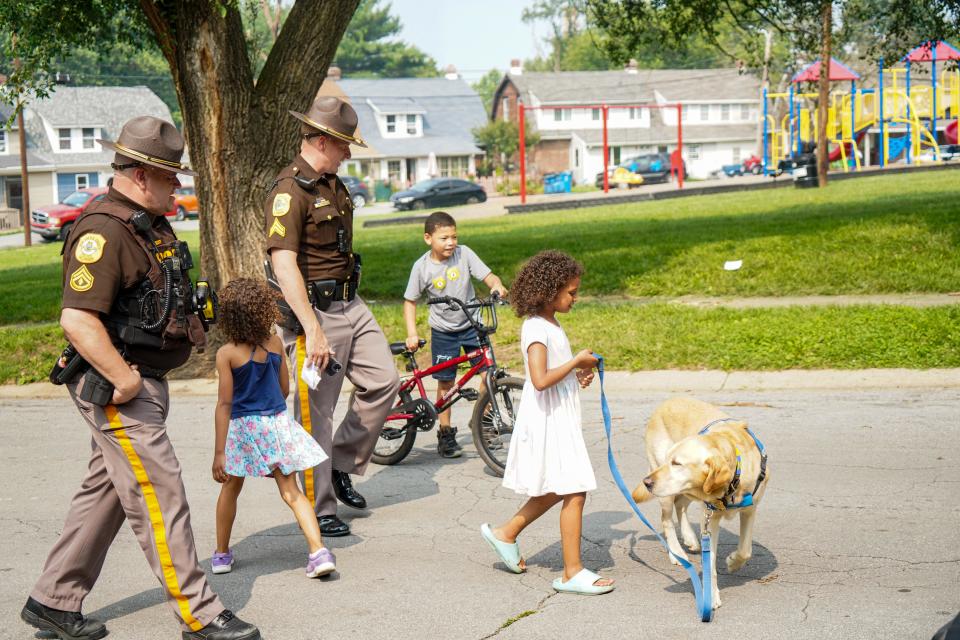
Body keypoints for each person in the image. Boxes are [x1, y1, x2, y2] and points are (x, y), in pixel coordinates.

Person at [21, 116, 260, 640]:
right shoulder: (104, 230)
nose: (178, 185)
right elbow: (77, 319)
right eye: (171, 176)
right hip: (119, 386)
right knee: (162, 494)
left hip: (145, 379)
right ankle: (200, 614)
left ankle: (53, 601)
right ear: (140, 173)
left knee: (104, 492)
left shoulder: (148, 223)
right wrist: (125, 382)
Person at [266, 96, 400, 538]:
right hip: (315, 312)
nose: (348, 153)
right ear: (321, 140)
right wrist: (312, 329)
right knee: (315, 414)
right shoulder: (290, 190)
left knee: (384, 381)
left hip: (350, 302)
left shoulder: (332, 184)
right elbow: (284, 264)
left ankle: (341, 463)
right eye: (344, 146)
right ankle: (320, 506)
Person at [479, 250, 615, 596]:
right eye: (571, 292)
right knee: (575, 488)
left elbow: (552, 374)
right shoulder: (537, 328)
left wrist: (575, 375)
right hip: (548, 420)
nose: (575, 298)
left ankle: (506, 533)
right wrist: (574, 363)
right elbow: (539, 379)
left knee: (559, 486)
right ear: (549, 290)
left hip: (557, 415)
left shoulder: (550, 324)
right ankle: (572, 571)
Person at [210, 278, 335, 579]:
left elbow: (224, 404)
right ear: (263, 310)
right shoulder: (276, 343)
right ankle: (318, 552)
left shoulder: (226, 353)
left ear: (228, 316)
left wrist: (219, 453)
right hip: (276, 424)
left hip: (243, 428)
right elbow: (284, 389)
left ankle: (222, 553)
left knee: (231, 488)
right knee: (291, 491)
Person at [402, 211, 507, 457]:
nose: (451, 242)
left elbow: (489, 276)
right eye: (444, 238)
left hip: (472, 326)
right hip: (443, 331)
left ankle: (483, 421)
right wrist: (411, 333)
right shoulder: (422, 267)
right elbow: (410, 301)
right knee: (446, 383)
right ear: (428, 238)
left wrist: (497, 285)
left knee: (488, 376)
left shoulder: (465, 254)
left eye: (454, 236)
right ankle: (446, 433)